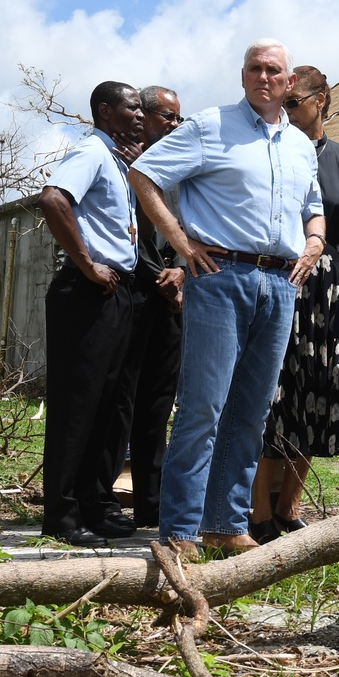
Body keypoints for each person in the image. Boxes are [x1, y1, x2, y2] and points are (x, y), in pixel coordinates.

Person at [128, 39, 325, 557]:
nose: (264, 77)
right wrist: (179, 240)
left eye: (274, 71)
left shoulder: (301, 144)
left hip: (281, 284)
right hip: (220, 276)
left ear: (289, 84)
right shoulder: (210, 126)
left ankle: (224, 524)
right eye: (255, 69)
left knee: (251, 411)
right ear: (243, 76)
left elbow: (313, 206)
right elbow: (144, 174)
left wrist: (315, 242)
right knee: (202, 406)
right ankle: (179, 531)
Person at [248, 67, 339, 544]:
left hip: (333, 290)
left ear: (322, 100)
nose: (286, 110)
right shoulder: (271, 150)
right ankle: (256, 511)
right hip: (282, 277)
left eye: (293, 102)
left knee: (317, 396)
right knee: (274, 395)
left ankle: (287, 508)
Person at [39, 81, 145, 547]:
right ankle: (61, 515)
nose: (140, 114)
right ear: (105, 111)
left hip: (115, 291)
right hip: (86, 290)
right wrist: (86, 263)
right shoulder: (92, 152)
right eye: (132, 106)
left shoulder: (118, 161)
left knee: (106, 403)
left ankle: (88, 503)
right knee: (77, 404)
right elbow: (53, 199)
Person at [113, 86, 185, 527]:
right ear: (145, 117)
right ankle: (101, 497)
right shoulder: (123, 164)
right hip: (132, 297)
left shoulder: (182, 171)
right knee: (123, 400)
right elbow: (118, 231)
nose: (174, 126)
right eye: (167, 118)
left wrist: (180, 270)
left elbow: (188, 230)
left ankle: (150, 503)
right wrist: (155, 275)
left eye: (179, 118)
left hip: (172, 301)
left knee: (159, 404)